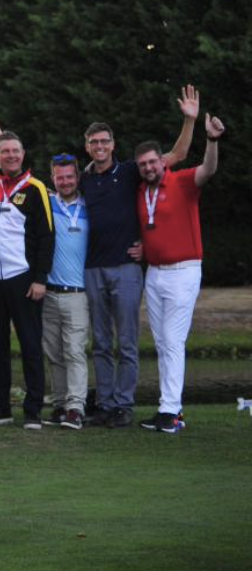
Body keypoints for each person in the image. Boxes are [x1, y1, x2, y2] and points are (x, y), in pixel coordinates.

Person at [79, 87, 197, 428]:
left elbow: (178, 153)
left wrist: (189, 120)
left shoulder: (131, 171)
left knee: (127, 342)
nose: (99, 147)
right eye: (93, 143)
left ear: (112, 145)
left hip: (127, 269)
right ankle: (104, 403)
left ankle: (124, 406)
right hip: (93, 268)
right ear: (87, 147)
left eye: (104, 141)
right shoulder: (85, 179)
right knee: (100, 342)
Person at [135, 112, 224, 433]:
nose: (148, 168)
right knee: (162, 342)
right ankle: (173, 408)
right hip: (154, 273)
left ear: (163, 162)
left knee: (173, 340)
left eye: (152, 162)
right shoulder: (141, 191)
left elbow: (208, 169)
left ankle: (169, 412)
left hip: (184, 271)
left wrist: (211, 140)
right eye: (143, 164)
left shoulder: (182, 180)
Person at [0, 128, 54, 430]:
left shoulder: (35, 188)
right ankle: (1, 406)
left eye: (15, 151)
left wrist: (40, 278)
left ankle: (33, 410)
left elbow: (47, 237)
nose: (10, 155)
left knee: (31, 345)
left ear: (23, 155)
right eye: (4, 151)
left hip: (24, 279)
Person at [41, 153, 89, 430]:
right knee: (54, 353)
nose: (66, 181)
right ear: (53, 179)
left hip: (78, 293)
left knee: (74, 351)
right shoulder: (46, 205)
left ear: (78, 177)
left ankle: (76, 408)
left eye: (70, 176)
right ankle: (59, 405)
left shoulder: (90, 206)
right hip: (48, 291)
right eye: (60, 177)